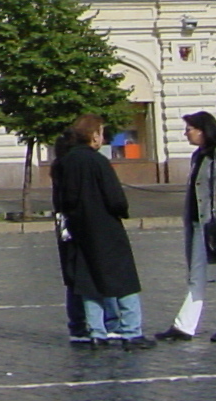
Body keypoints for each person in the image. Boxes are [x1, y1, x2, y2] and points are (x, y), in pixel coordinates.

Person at [50, 114, 149, 347]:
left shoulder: (64, 162)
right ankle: (131, 332)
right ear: (94, 136)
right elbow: (115, 197)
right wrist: (121, 212)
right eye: (101, 133)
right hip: (104, 225)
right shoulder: (97, 161)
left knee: (88, 281)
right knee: (124, 279)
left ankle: (96, 332)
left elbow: (64, 199)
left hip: (78, 227)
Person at [159, 110, 216, 343]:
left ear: (202, 131)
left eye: (189, 129)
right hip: (200, 224)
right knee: (197, 275)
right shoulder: (198, 155)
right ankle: (184, 326)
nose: (186, 134)